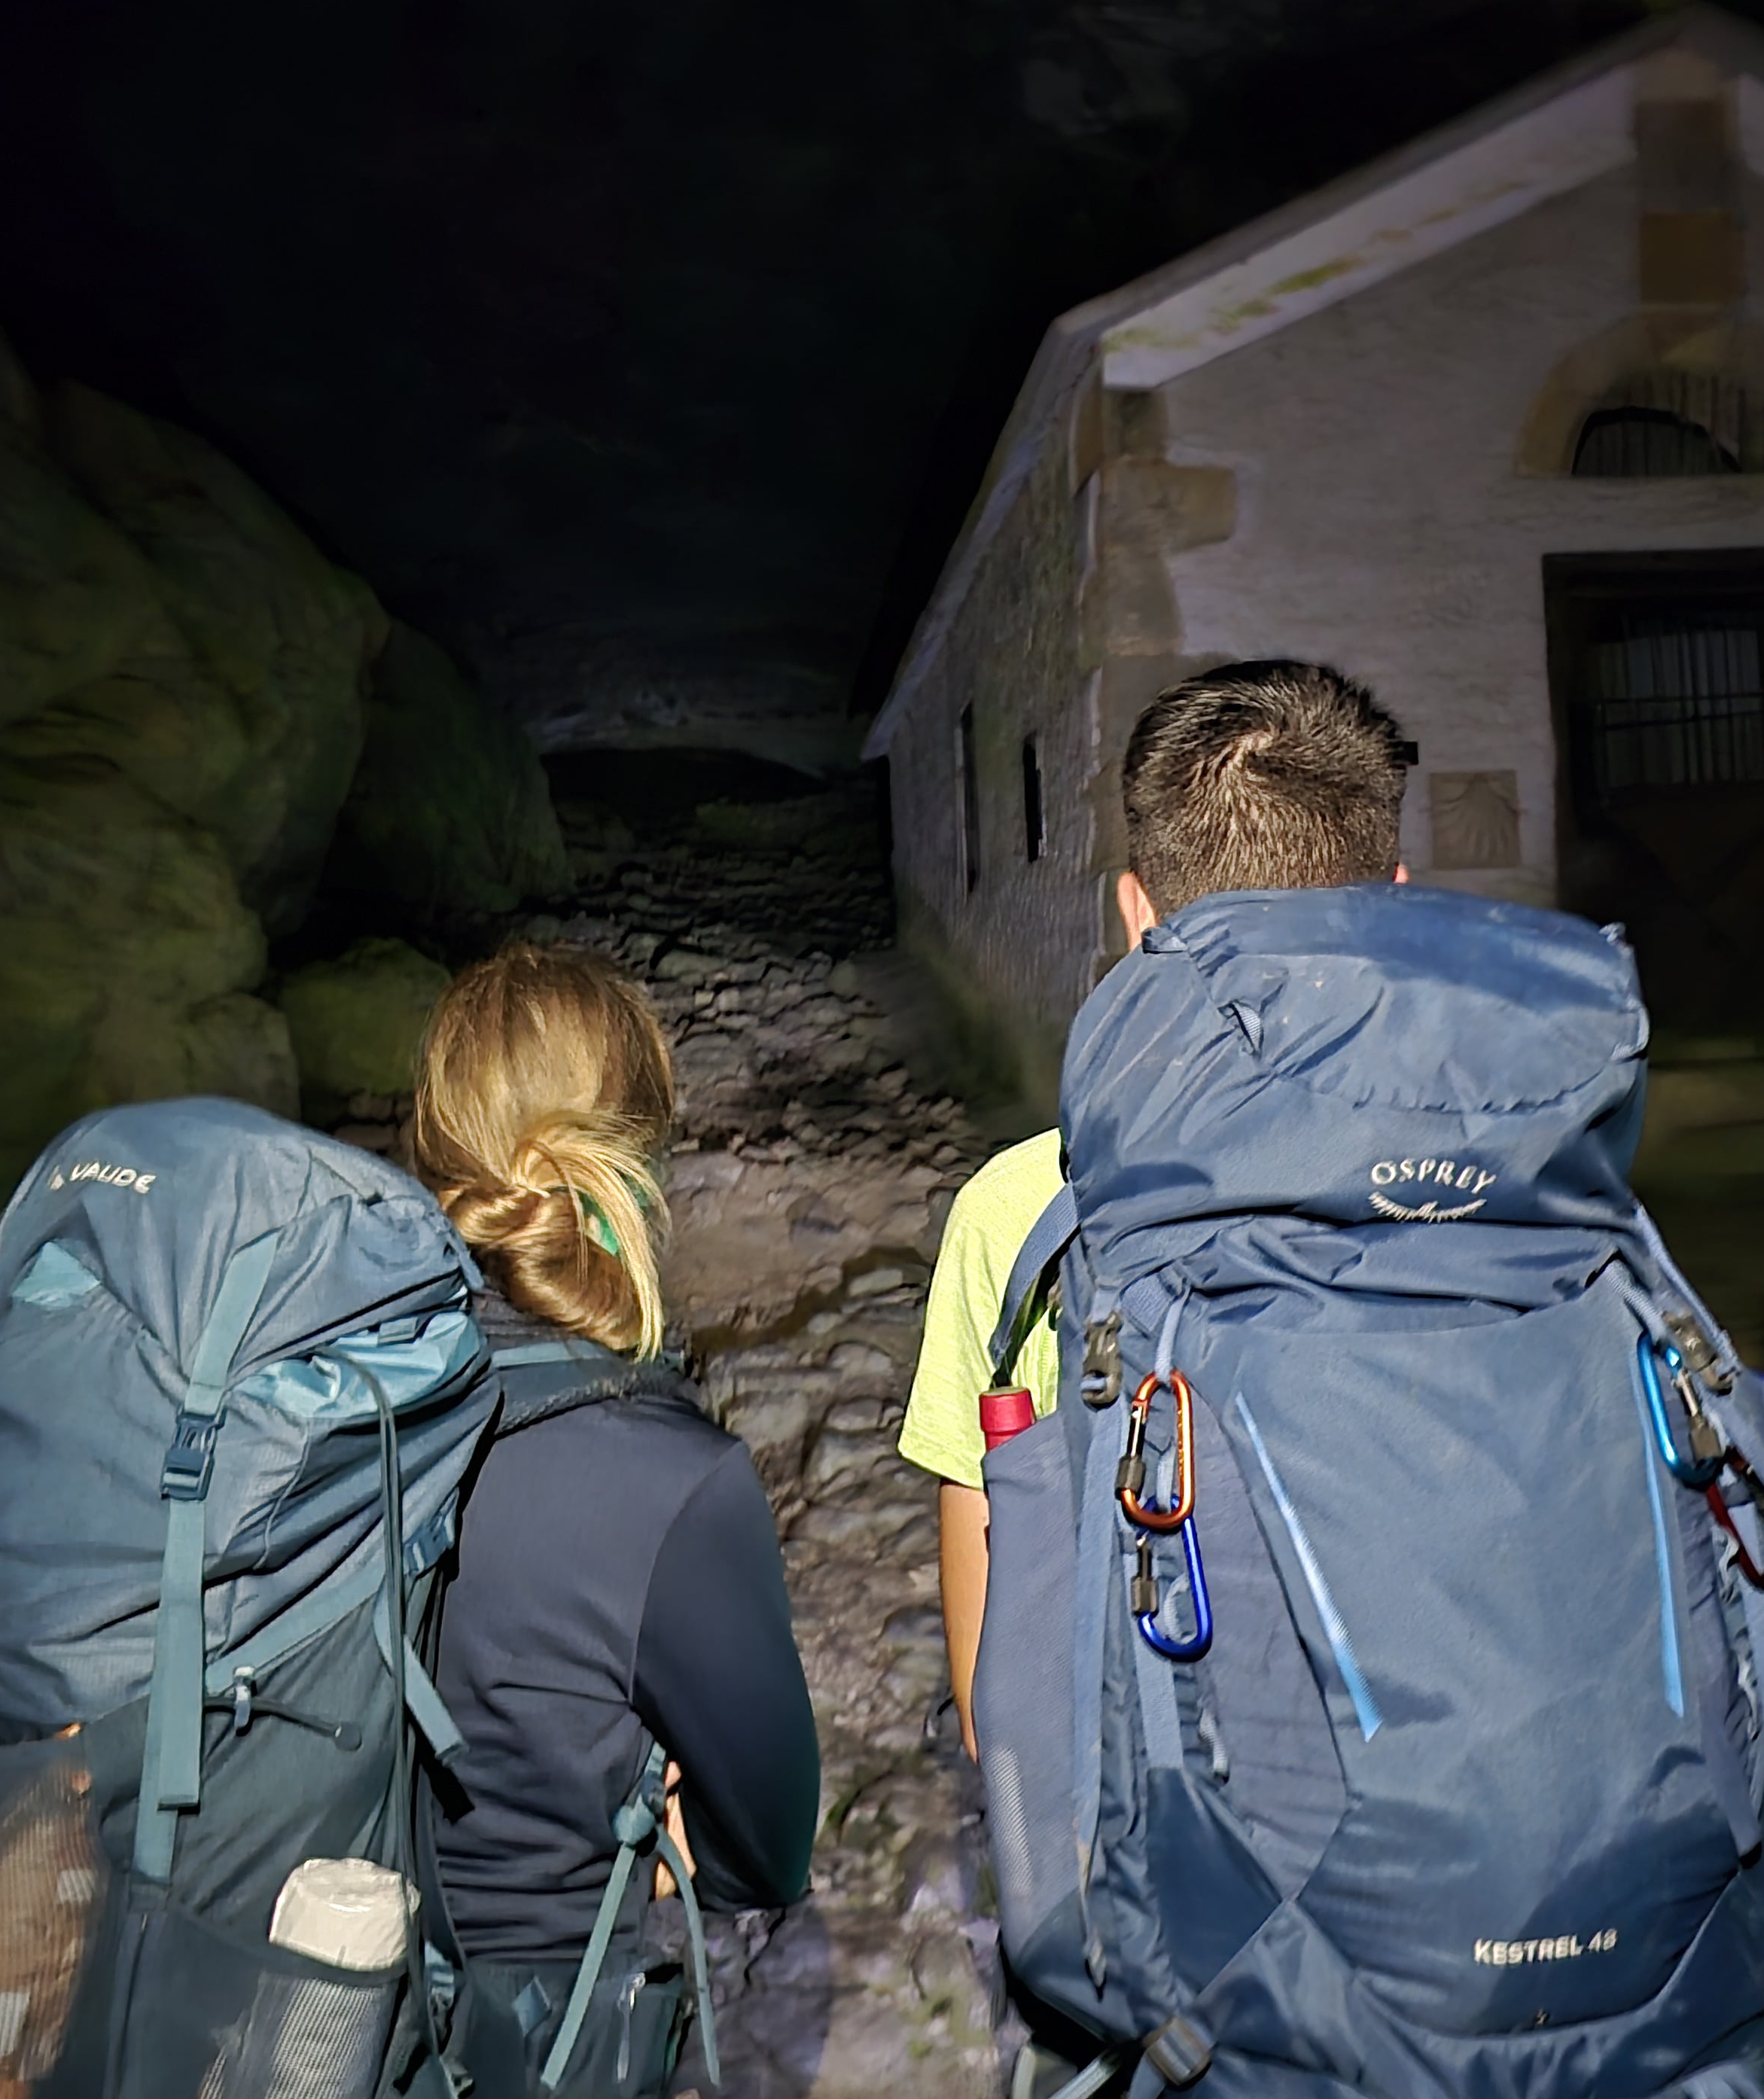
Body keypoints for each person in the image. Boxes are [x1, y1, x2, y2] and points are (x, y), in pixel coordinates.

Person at [899, 657, 1412, 1750]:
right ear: (1399, 901)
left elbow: (999, 1713)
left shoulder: (1025, 1213)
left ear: (1137, 914)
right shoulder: (1515, 1172)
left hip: (1177, 1809)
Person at [410, 943, 820, 2099]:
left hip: (312, 2004)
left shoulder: (324, 1410)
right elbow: (767, 1851)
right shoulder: (674, 1482)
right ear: (639, 1167)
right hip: (538, 2040)